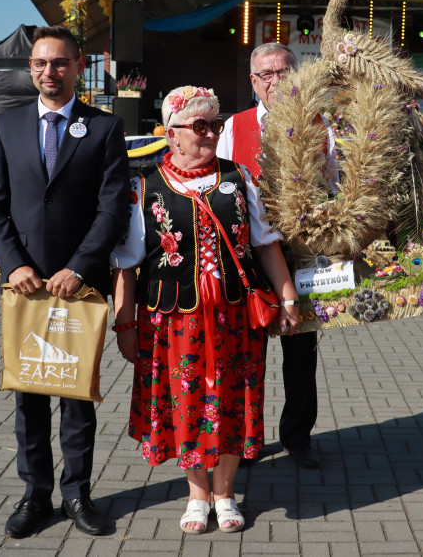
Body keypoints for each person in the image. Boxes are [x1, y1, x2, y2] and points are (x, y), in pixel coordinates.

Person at [111, 86, 301, 534]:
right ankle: (197, 493)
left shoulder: (239, 179)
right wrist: (124, 323)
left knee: (233, 400)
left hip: (234, 318)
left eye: (214, 125)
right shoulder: (145, 185)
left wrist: (289, 297)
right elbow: (127, 264)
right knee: (186, 404)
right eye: (200, 126)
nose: (211, 134)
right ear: (171, 134)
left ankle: (226, 492)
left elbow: (267, 245)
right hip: (171, 321)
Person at [0, 25, 130, 539]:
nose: (50, 71)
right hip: (24, 287)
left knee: (76, 392)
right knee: (30, 395)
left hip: (79, 287)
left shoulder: (105, 128)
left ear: (79, 65)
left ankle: (77, 493)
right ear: (30, 68)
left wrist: (81, 266)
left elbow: (113, 209)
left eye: (61, 63)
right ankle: (35, 494)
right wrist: (14, 264)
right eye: (42, 63)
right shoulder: (5, 127)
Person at [215, 42, 337, 469]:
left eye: (284, 72)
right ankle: (246, 439)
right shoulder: (233, 126)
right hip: (246, 257)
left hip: (300, 255)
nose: (275, 81)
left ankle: (298, 436)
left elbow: (336, 187)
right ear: (253, 82)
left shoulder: (321, 126)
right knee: (247, 353)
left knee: (301, 351)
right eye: (265, 75)